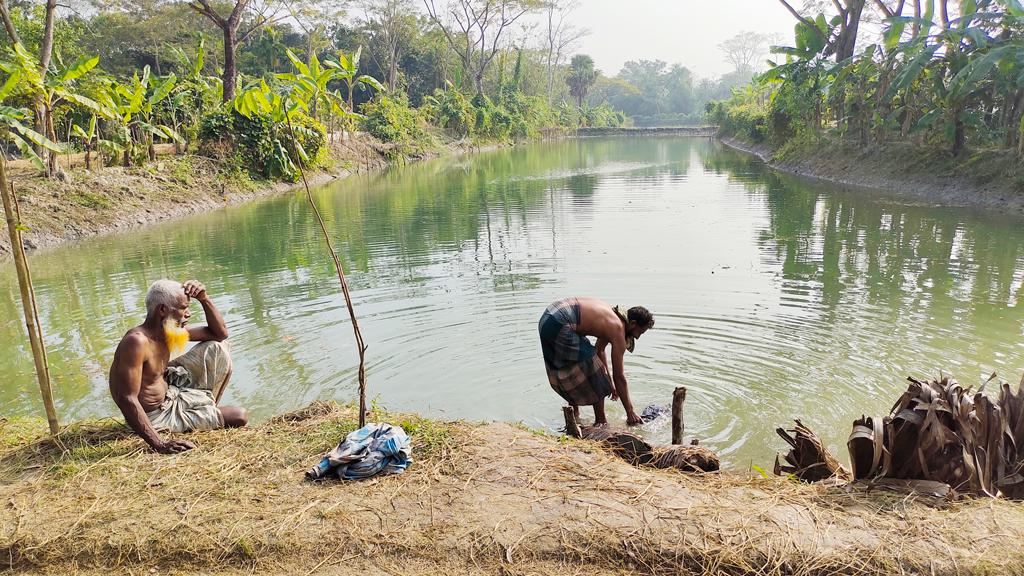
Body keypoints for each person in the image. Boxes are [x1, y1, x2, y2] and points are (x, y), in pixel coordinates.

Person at [109, 279, 247, 453]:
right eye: (183, 308)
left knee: (216, 347)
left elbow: (219, 334)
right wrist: (159, 443)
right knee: (239, 416)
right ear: (162, 310)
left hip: (171, 394)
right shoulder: (136, 342)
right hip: (157, 416)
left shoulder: (168, 331)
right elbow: (126, 399)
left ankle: (204, 410)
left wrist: (204, 299)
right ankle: (200, 415)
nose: (188, 314)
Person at [538, 297, 654, 426]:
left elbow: (600, 351)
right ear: (632, 324)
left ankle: (574, 416)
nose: (637, 337)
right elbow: (619, 376)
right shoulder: (617, 329)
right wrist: (630, 412)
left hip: (549, 316)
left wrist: (609, 382)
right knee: (595, 372)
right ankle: (601, 422)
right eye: (640, 332)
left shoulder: (612, 317)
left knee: (574, 366)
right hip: (560, 322)